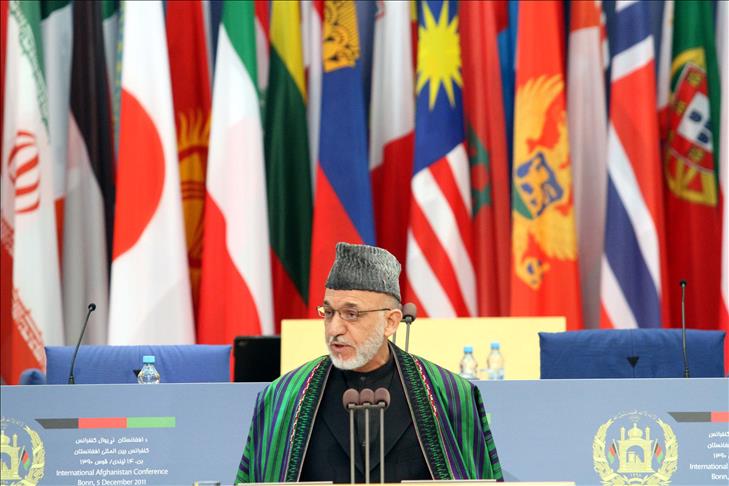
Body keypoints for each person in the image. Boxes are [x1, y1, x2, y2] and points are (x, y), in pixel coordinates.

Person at [235, 242, 502, 483]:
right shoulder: (283, 397)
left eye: (351, 314)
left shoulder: (450, 394)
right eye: (328, 312)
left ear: (391, 322)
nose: (334, 329)